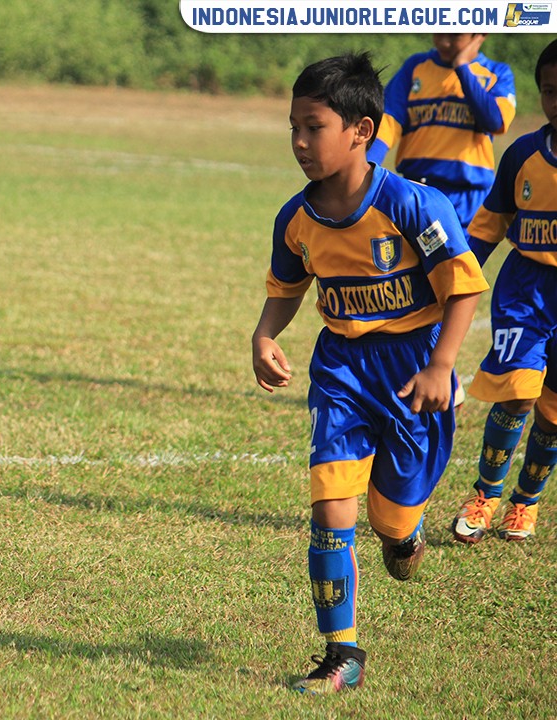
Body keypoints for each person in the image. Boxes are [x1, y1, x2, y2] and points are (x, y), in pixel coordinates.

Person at [252, 53, 487, 694]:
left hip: (414, 371)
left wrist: (443, 364)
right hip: (342, 370)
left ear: (362, 130)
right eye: (293, 127)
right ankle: (343, 653)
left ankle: (403, 533)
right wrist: (265, 332)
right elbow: (288, 283)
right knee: (330, 511)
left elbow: (463, 288)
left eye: (314, 127)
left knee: (391, 520)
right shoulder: (295, 218)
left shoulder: (413, 204)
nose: (299, 142)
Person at [368, 34, 516, 408]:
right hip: (417, 196)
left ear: (480, 33)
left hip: (468, 202)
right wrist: (367, 164)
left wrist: (463, 67)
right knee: (418, 286)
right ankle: (439, 376)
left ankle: (439, 374)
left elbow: (495, 119)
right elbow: (390, 120)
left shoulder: (497, 73)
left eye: (457, 32)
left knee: (454, 289)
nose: (446, 38)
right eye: (441, 28)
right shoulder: (415, 68)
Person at [451, 39, 557, 545]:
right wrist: (455, 277)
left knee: (553, 413)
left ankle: (525, 504)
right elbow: (489, 226)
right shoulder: (522, 154)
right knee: (516, 396)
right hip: (526, 291)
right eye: (551, 91)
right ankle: (486, 495)